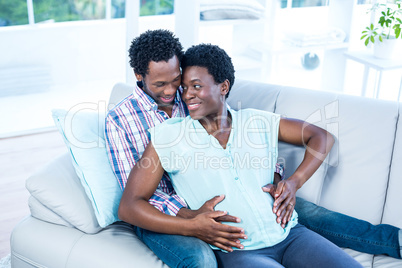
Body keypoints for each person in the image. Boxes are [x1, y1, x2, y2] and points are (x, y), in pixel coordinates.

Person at [105, 29, 401, 267]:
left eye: (180, 83)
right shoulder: (142, 127)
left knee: (312, 213)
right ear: (139, 76)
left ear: (223, 86)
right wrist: (192, 221)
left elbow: (256, 139)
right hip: (197, 224)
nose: (175, 93)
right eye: (165, 86)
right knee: (200, 259)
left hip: (282, 228)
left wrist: (285, 182)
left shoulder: (245, 118)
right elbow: (134, 201)